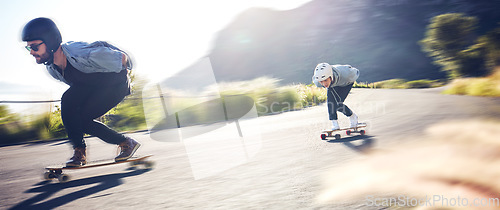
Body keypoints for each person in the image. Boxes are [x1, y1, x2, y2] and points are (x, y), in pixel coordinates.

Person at [21, 17, 140, 167]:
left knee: (74, 106)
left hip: (115, 85)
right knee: (73, 108)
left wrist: (128, 66)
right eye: (28, 48)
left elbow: (123, 59)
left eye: (35, 47)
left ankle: (125, 143)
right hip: (91, 86)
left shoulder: (79, 54)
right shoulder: (52, 69)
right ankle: (85, 151)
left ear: (50, 41)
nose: (31, 52)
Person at [312, 62, 360, 130]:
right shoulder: (317, 81)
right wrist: (326, 82)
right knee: (331, 103)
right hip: (333, 84)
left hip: (345, 83)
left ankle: (353, 116)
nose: (324, 83)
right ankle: (334, 124)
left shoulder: (347, 74)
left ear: (330, 76)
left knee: (338, 104)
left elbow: (356, 72)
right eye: (321, 81)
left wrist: (349, 81)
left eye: (325, 80)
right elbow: (323, 82)